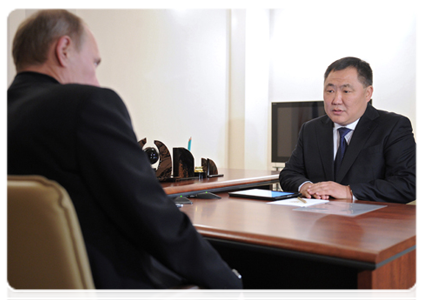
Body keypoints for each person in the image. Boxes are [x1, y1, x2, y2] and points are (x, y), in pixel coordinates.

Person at [5, 9, 244, 300]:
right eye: (94, 63)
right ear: (63, 49)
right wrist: (229, 284)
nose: (94, 79)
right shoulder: (87, 104)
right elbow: (154, 218)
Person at [279, 57, 419, 203]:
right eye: (330, 90)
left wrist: (348, 191)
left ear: (368, 93)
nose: (336, 100)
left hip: (371, 221)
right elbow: (290, 173)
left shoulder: (393, 126)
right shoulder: (311, 129)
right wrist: (306, 187)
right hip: (319, 220)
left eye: (346, 91)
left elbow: (408, 184)